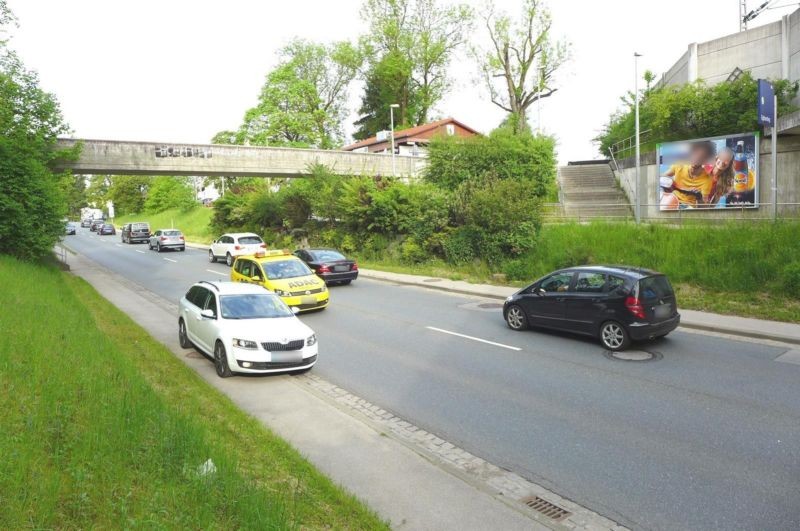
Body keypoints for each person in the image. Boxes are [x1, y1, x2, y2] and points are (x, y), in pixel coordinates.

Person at [660, 141, 716, 209]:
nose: (696, 158)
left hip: (688, 206)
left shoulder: (707, 179)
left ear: (706, 160)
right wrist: (668, 185)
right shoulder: (680, 164)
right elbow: (661, 178)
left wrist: (699, 197)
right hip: (672, 199)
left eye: (701, 157)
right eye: (695, 153)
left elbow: (703, 208)